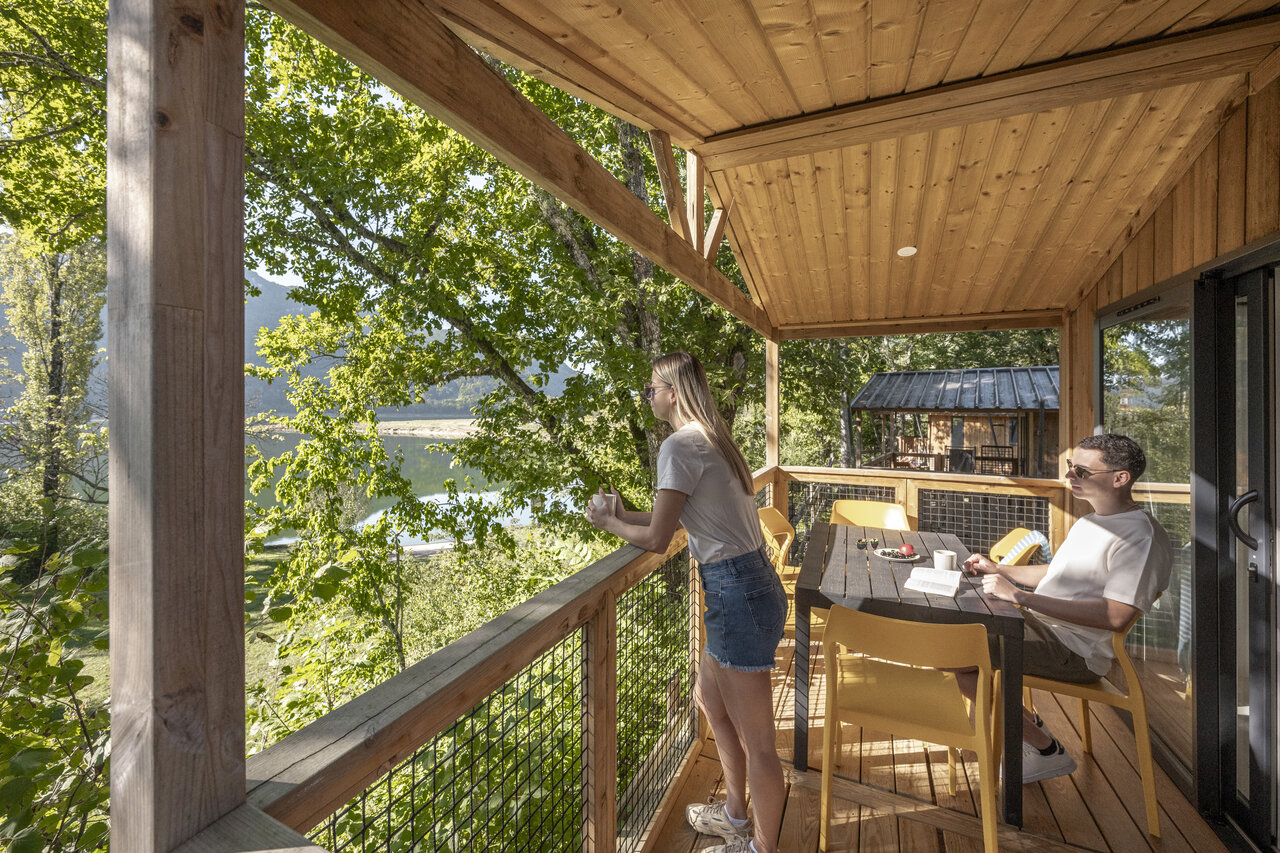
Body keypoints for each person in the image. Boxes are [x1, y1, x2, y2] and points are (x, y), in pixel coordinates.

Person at [585, 351, 786, 853]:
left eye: (651, 388)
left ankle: (761, 847)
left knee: (760, 744)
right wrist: (623, 512)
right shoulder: (711, 438)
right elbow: (672, 517)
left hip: (736, 591)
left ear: (672, 393)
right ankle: (735, 816)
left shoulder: (678, 445)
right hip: (746, 585)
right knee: (710, 701)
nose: (647, 396)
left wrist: (608, 522)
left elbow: (658, 539)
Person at [959, 433, 1172, 784]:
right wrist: (999, 569)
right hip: (1043, 627)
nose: (1070, 475)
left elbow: (1117, 615)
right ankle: (1031, 726)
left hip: (1075, 651)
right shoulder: (1092, 521)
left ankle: (1045, 749)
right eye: (1071, 466)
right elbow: (1056, 574)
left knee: (959, 653)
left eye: (1082, 471)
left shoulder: (1139, 537)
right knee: (959, 632)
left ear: (1120, 478)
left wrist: (1020, 597)